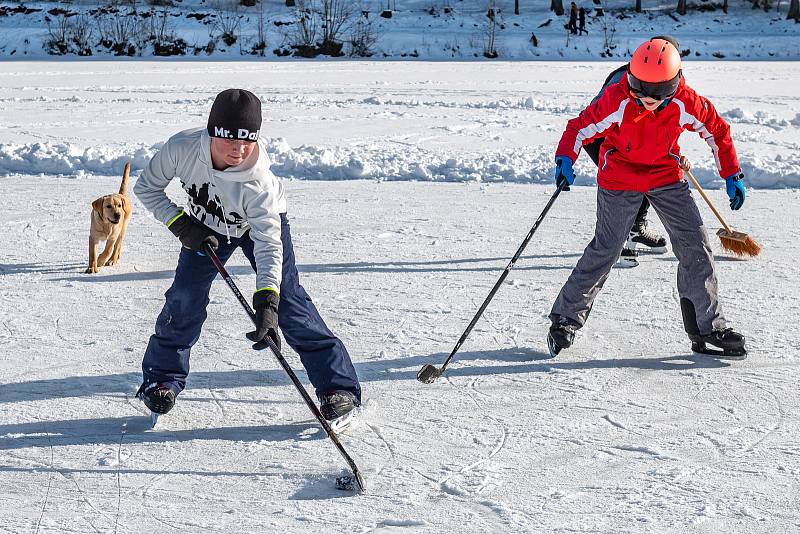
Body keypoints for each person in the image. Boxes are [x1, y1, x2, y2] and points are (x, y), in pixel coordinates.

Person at [133, 88, 362, 423]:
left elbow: (269, 245)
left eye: (248, 140)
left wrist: (267, 301)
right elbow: (146, 188)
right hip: (202, 228)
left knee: (289, 304)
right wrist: (181, 224)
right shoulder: (181, 148)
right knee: (183, 299)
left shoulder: (259, 184)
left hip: (256, 229)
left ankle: (337, 387)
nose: (239, 150)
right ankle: (161, 379)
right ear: (212, 132)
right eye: (229, 139)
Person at [547, 38, 748, 359]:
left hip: (666, 175)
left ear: (673, 84)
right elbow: (579, 128)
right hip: (620, 177)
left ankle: (707, 327)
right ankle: (565, 318)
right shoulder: (617, 99)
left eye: (655, 93)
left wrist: (731, 173)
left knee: (695, 245)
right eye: (638, 89)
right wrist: (565, 158)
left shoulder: (686, 101)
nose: (646, 99)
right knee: (607, 248)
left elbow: (717, 130)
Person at [582, 35, 681, 268]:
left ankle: (635, 230)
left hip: (628, 139)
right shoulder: (628, 78)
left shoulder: (664, 78)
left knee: (651, 175)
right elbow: (598, 115)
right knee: (629, 183)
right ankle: (621, 243)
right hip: (603, 138)